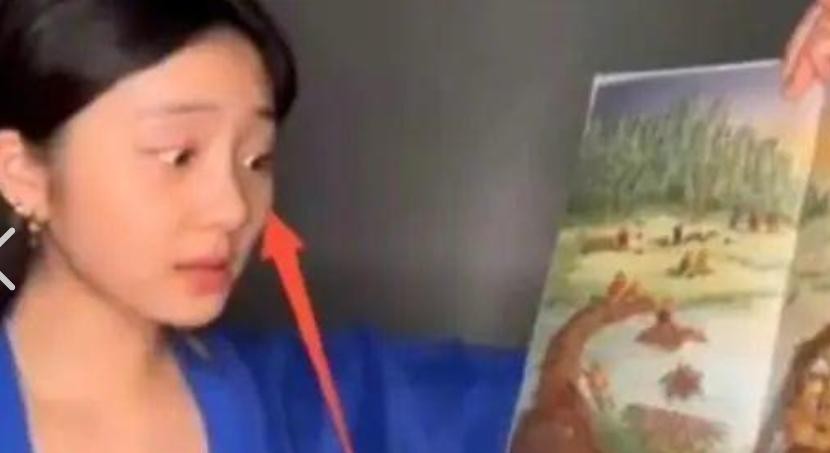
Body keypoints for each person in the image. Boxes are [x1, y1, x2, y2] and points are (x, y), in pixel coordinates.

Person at [0, 1, 523, 452]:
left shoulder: (318, 403)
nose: (233, 208)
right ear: (21, 173)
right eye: (178, 155)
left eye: (257, 160)